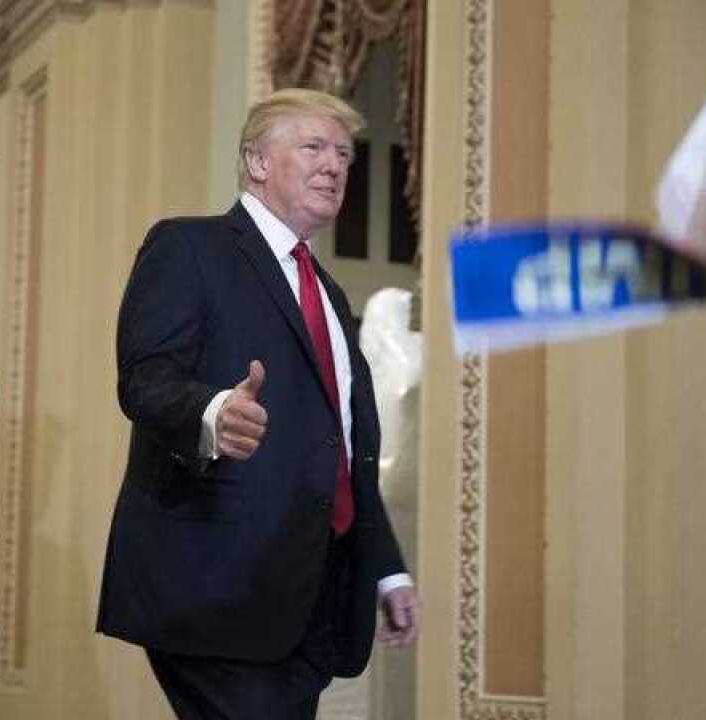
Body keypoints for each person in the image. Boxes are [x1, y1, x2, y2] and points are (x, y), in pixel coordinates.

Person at [97, 88, 419, 718]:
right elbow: (145, 378)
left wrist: (385, 567)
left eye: (345, 155)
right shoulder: (189, 248)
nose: (335, 166)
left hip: (311, 597)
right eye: (313, 147)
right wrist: (212, 411)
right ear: (256, 162)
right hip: (215, 586)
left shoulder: (326, 291)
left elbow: (346, 445)